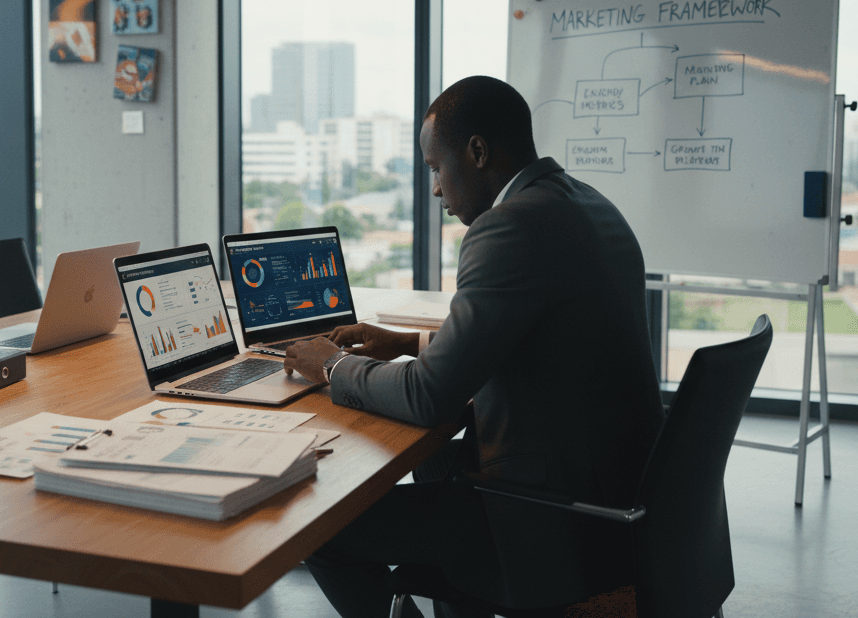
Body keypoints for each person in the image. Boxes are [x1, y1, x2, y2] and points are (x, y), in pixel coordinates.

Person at [284, 75, 665, 618]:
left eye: (437, 168)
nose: (436, 189)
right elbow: (534, 334)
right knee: (437, 460)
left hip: (556, 520)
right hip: (619, 497)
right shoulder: (586, 204)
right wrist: (407, 342)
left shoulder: (507, 228)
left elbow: (429, 398)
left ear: (478, 152)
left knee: (318, 528)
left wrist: (333, 366)